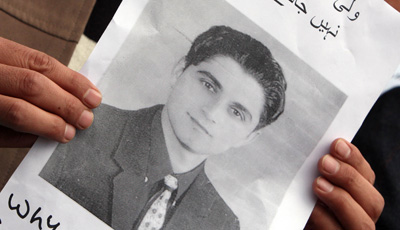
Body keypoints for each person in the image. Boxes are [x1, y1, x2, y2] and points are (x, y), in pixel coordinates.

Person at [0, 12, 385, 230]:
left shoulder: (225, 223)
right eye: (207, 84)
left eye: (238, 112)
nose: (212, 113)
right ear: (178, 72)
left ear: (249, 137)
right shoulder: (77, 136)